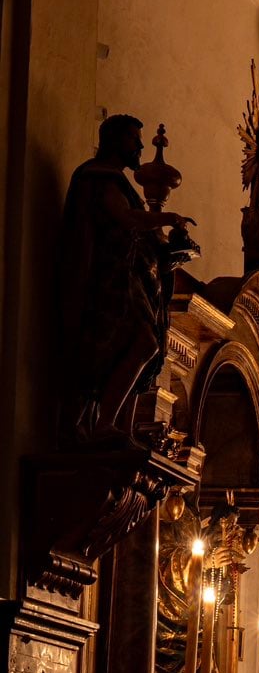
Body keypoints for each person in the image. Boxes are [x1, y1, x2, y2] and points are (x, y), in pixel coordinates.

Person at [57, 114, 198, 439]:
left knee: (140, 348)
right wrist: (167, 217)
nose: (139, 146)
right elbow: (125, 218)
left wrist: (170, 252)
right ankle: (103, 423)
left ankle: (108, 424)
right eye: (133, 139)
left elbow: (144, 239)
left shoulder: (117, 182)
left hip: (128, 281)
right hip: (109, 283)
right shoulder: (99, 177)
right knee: (136, 345)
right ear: (114, 140)